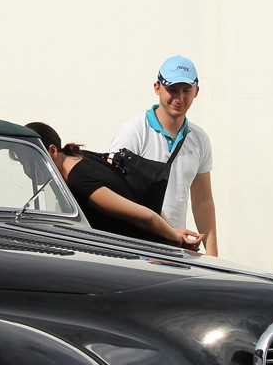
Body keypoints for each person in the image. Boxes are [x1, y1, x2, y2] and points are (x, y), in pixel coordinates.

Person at [27, 122, 205, 250]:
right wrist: (172, 230)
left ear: (52, 150)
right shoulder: (83, 157)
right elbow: (140, 199)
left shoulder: (79, 181)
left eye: (29, 161)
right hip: (153, 248)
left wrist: (177, 238)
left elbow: (146, 216)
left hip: (149, 256)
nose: (26, 170)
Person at [109, 55, 217, 256]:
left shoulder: (199, 138)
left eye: (186, 90)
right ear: (157, 88)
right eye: (172, 89)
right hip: (133, 249)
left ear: (196, 92)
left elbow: (203, 200)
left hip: (175, 249)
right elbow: (112, 193)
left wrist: (212, 255)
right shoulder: (133, 132)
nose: (179, 98)